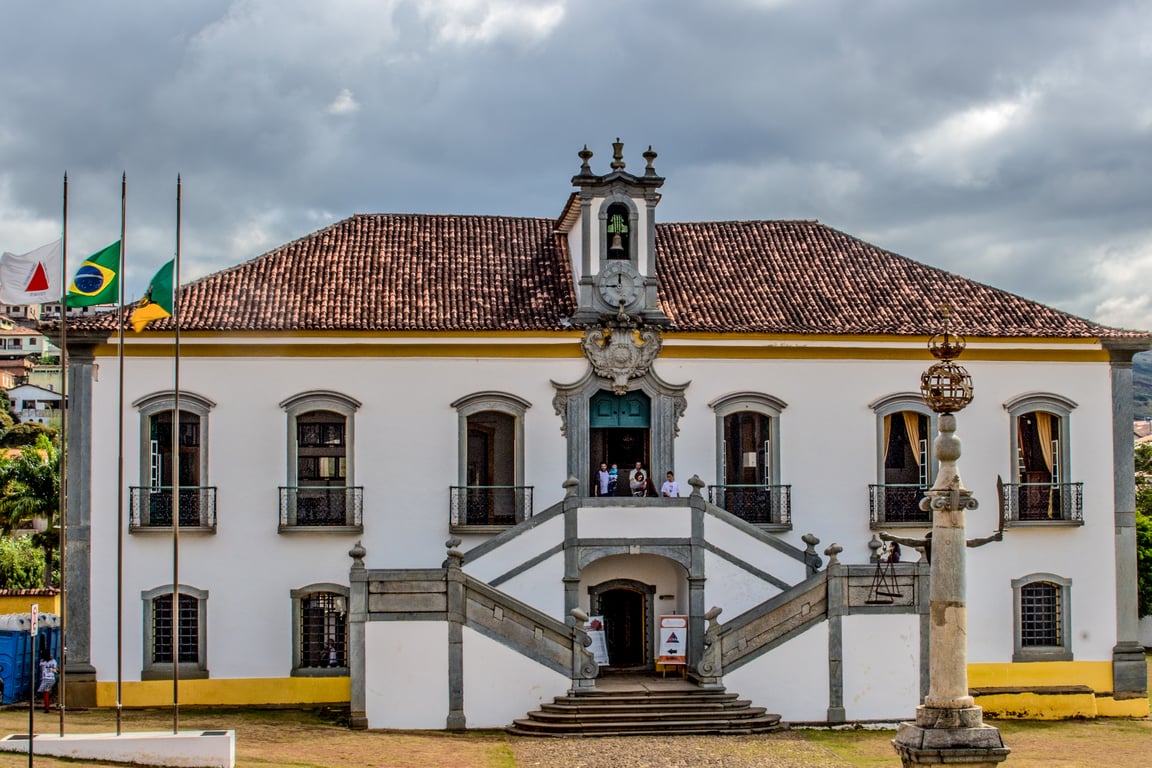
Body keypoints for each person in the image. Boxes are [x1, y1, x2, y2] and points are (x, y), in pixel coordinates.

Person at [878, 529, 1003, 564]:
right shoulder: (935, 541)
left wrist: (991, 539)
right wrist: (991, 539)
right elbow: (972, 543)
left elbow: (911, 541)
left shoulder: (937, 541)